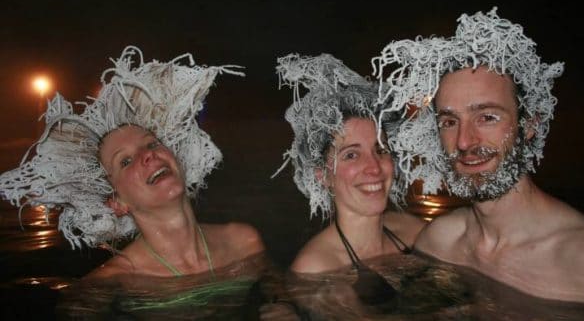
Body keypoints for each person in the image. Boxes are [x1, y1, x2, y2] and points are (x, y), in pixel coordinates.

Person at [374, 8, 584, 304]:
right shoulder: (440, 243)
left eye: (486, 117)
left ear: (529, 125)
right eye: (449, 121)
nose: (464, 141)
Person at [0, 46, 264, 279]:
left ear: (179, 161)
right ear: (117, 203)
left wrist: (278, 306)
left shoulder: (244, 241)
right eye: (125, 161)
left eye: (152, 144)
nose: (148, 155)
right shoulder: (113, 282)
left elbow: (274, 293)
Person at [272, 53, 425, 313]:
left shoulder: (413, 231)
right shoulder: (316, 268)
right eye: (351, 155)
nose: (374, 167)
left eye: (380, 150)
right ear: (323, 175)